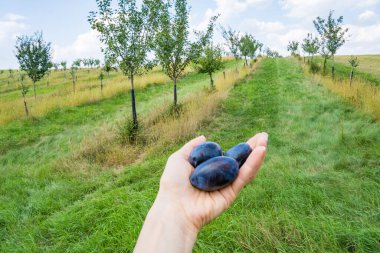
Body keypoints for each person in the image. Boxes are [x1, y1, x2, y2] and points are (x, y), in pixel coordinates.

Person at [134, 132, 268, 253]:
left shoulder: (223, 163)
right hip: (218, 167)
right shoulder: (222, 162)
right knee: (230, 161)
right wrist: (177, 213)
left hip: (219, 167)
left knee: (231, 162)